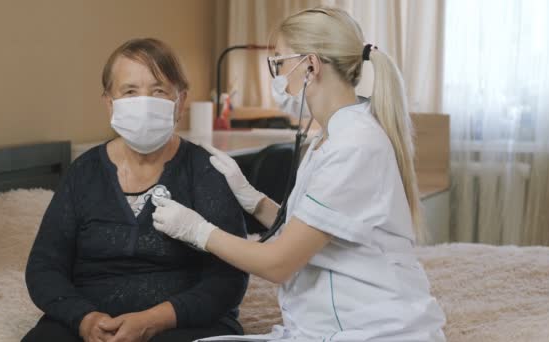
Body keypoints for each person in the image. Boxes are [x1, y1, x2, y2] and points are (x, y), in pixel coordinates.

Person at [152, 7, 446, 342]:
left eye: (278, 63)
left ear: (310, 65)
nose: (276, 76)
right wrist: (254, 199)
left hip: (370, 330)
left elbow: (278, 263)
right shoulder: (331, 136)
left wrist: (197, 231)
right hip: (327, 325)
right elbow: (312, 228)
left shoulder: (354, 146)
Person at [23, 38, 248, 342]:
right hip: (89, 321)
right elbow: (44, 268)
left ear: (179, 101)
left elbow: (229, 278)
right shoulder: (83, 172)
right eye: (130, 91)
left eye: (158, 91)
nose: (144, 102)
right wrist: (85, 319)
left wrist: (154, 320)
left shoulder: (205, 170)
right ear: (109, 103)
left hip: (183, 323)